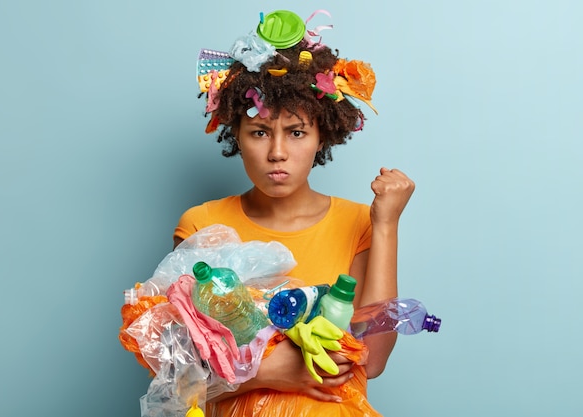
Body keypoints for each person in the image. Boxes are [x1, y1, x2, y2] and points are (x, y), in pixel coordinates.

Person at [174, 9, 415, 416]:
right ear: (238, 134)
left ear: (323, 136)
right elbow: (178, 373)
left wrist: (387, 224)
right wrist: (269, 372)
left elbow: (372, 360)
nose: (278, 152)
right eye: (260, 132)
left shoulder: (359, 223)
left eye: (297, 131)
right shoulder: (202, 225)